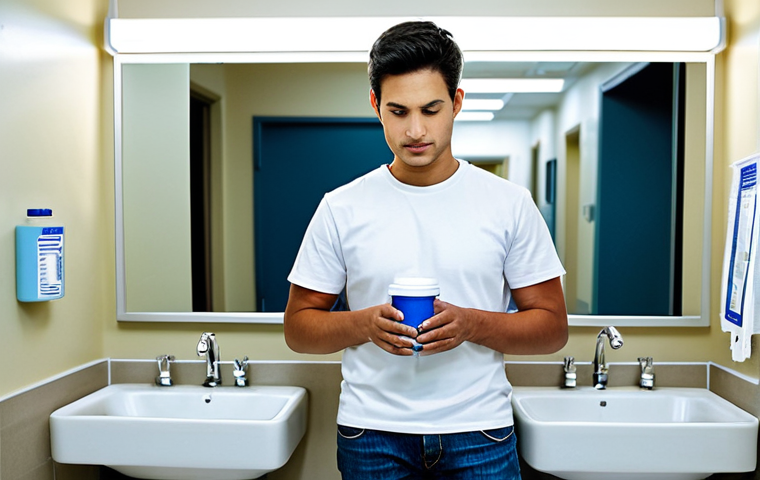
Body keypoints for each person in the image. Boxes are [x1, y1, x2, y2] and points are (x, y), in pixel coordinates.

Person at [284, 20, 568, 480]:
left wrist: (472, 323)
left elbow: (552, 328)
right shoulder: (341, 207)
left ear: (456, 103)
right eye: (398, 111)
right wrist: (363, 324)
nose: (415, 130)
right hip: (371, 433)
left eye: (431, 109)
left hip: (479, 431)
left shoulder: (508, 204)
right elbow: (298, 329)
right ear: (376, 105)